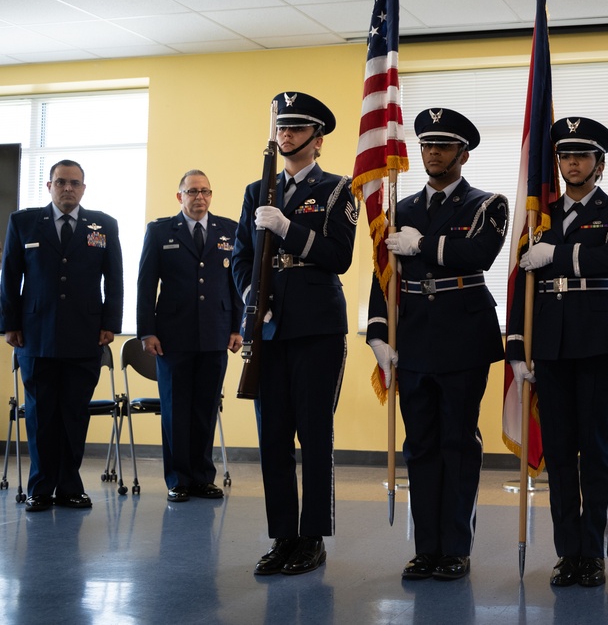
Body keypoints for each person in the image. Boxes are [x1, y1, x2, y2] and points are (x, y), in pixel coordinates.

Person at [367, 107, 508, 581]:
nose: (432, 153)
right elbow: (382, 274)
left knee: (457, 443)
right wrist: (377, 333)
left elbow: (478, 254)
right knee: (420, 445)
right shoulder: (398, 208)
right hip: (413, 339)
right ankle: (426, 547)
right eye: (427, 145)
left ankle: (456, 547)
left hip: (463, 336)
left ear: (462, 153)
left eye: (443, 146)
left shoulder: (487, 204)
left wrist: (423, 245)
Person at [507, 117, 608, 588]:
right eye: (565, 155)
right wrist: (517, 347)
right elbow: (520, 280)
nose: (572, 163)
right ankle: (568, 553)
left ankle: (594, 552)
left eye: (582, 156)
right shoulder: (537, 217)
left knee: (594, 450)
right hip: (551, 344)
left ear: (599, 164)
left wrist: (557, 256)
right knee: (560, 452)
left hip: (597, 342)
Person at [232, 92, 358, 576]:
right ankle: (283, 536)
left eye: (297, 128)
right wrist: (252, 296)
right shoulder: (255, 189)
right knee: (273, 436)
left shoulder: (337, 190)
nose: (286, 135)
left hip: (316, 325)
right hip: (269, 326)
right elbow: (242, 254)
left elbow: (338, 256)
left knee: (315, 433)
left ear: (317, 139)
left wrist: (287, 228)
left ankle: (313, 538)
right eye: (282, 127)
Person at [0, 159, 124, 512]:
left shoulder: (104, 225)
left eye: (75, 183)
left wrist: (109, 324)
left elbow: (114, 279)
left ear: (84, 188)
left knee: (73, 413)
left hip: (85, 336)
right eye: (61, 182)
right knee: (40, 415)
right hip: (35, 336)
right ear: (49, 186)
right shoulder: (23, 222)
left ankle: (70, 486)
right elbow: (9, 277)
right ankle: (40, 488)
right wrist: (10, 324)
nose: (67, 188)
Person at [136, 169, 243, 503]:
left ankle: (202, 477)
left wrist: (238, 327)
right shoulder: (159, 231)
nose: (199, 197)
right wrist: (146, 331)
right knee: (175, 409)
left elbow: (238, 283)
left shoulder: (230, 230)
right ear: (179, 196)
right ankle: (178, 479)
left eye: (205, 191)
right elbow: (145, 284)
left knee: (205, 408)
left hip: (216, 333)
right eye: (192, 191)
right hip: (172, 335)